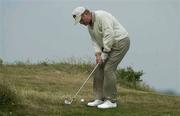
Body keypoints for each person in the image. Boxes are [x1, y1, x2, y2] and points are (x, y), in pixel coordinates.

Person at [72, 6, 130, 109]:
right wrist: (98, 55)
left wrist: (105, 52)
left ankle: (111, 101)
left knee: (108, 69)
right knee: (99, 68)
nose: (81, 23)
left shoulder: (102, 16)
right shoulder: (89, 25)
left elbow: (109, 35)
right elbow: (94, 41)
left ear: (86, 14)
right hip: (108, 46)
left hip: (120, 42)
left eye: (81, 20)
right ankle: (99, 98)